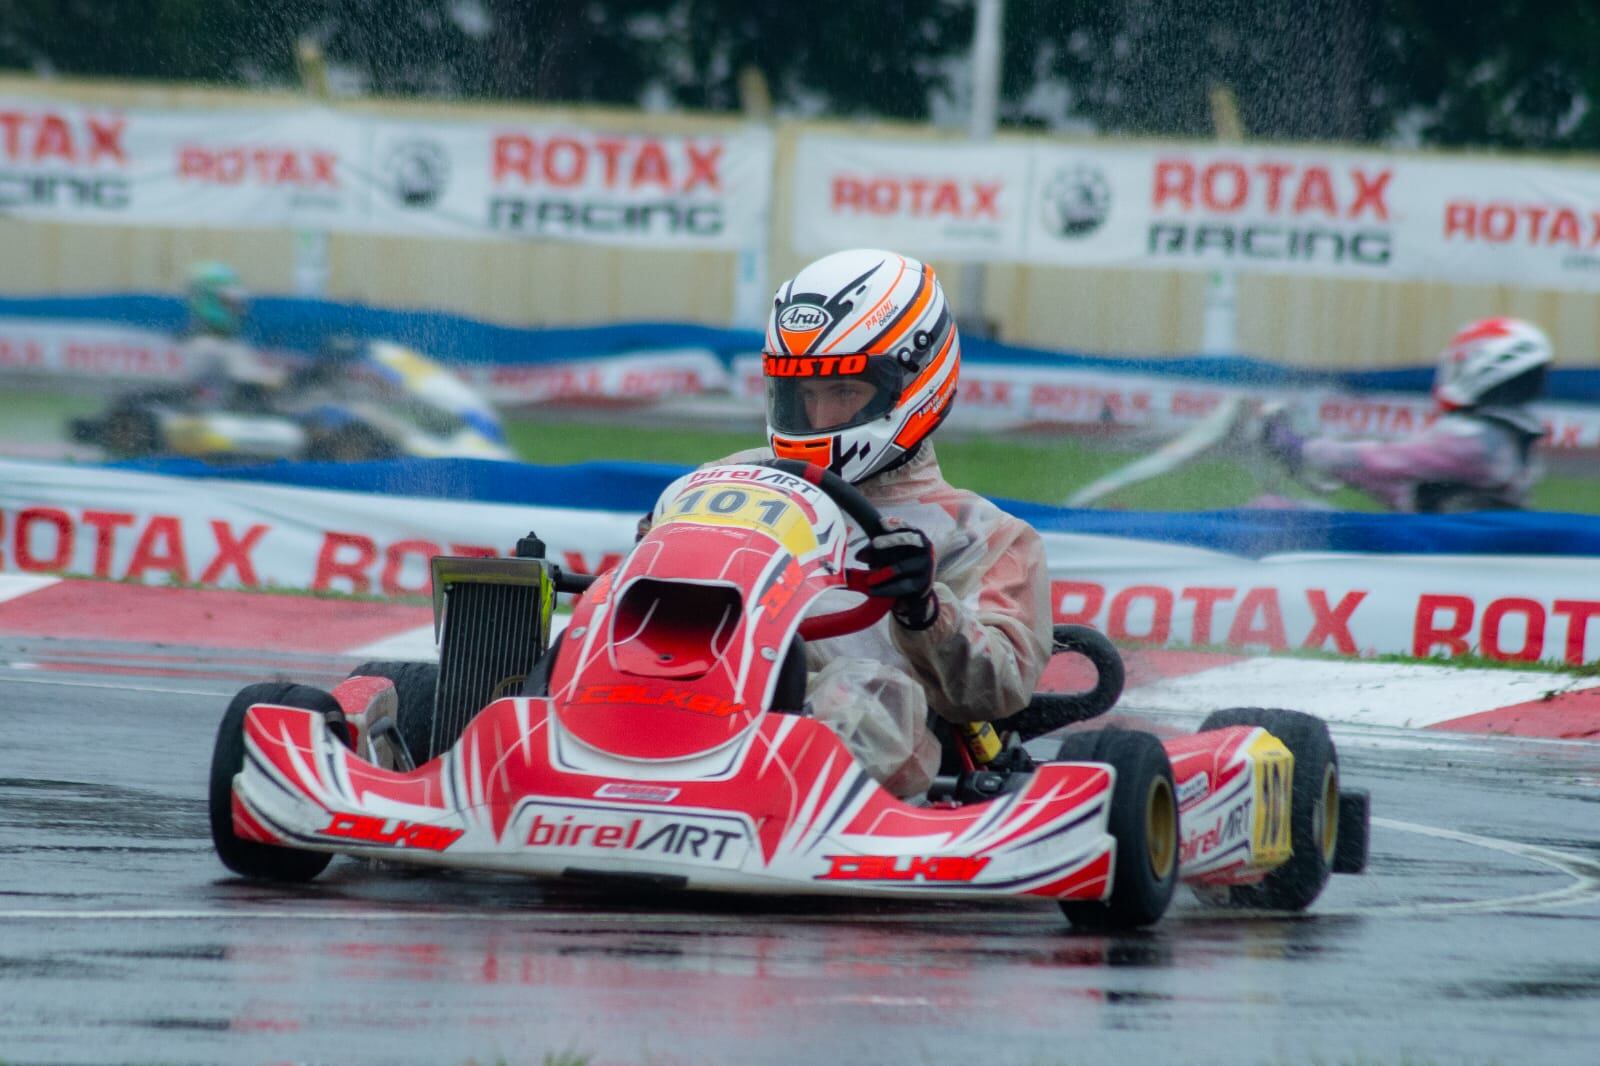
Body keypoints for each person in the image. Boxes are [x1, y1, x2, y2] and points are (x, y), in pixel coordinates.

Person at [711, 248, 1054, 798]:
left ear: (916, 379)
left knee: (858, 691)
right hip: (716, 696)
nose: (820, 418)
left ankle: (770, 796)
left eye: (844, 391)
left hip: (873, 742)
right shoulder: (730, 480)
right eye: (805, 394)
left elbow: (1000, 688)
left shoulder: (982, 533)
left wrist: (925, 607)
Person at [1260, 317, 1552, 513]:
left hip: (1440, 557)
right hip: (1444, 549)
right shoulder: (1506, 438)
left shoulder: (1477, 441)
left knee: (1270, 511)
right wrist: (1352, 476)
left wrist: (1299, 447)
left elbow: (1383, 462)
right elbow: (1407, 490)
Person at [176, 261, 285, 411]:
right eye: (229, 303)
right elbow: (250, 377)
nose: (237, 310)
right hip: (209, 419)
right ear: (208, 301)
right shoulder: (203, 347)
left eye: (238, 303)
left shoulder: (230, 345)